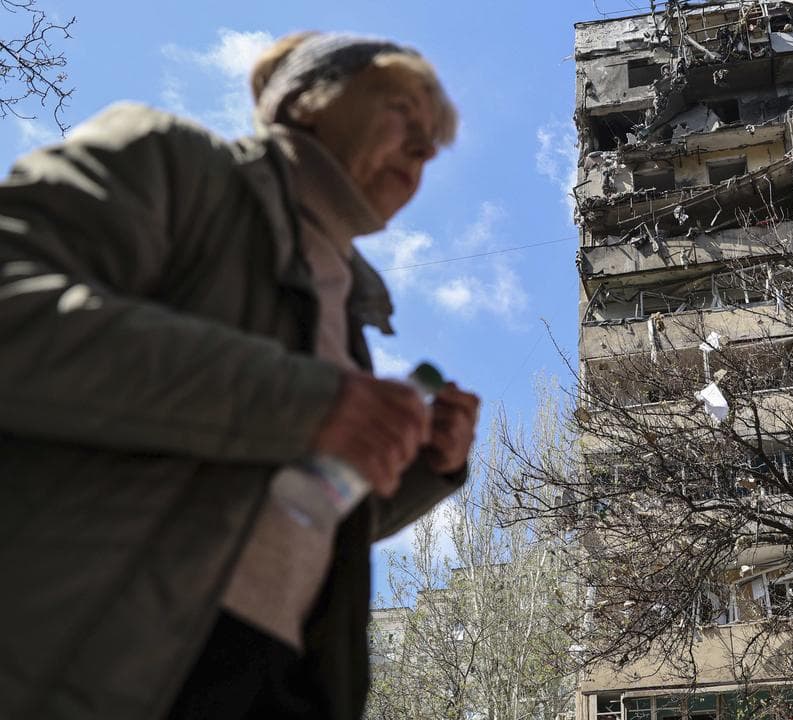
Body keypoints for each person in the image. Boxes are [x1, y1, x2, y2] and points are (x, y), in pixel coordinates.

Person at [0, 32, 479, 720]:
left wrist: (427, 466)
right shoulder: (172, 161)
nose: (424, 149)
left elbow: (292, 508)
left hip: (282, 678)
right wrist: (307, 405)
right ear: (305, 99)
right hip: (101, 658)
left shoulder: (349, 316)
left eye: (434, 141)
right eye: (403, 110)